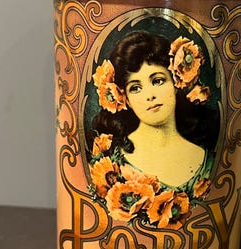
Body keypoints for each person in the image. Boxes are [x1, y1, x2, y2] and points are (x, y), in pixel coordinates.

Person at [88, 30, 218, 193]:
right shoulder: (110, 163)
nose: (150, 95)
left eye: (157, 81)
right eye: (135, 88)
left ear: (175, 83)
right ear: (125, 99)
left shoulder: (207, 161)